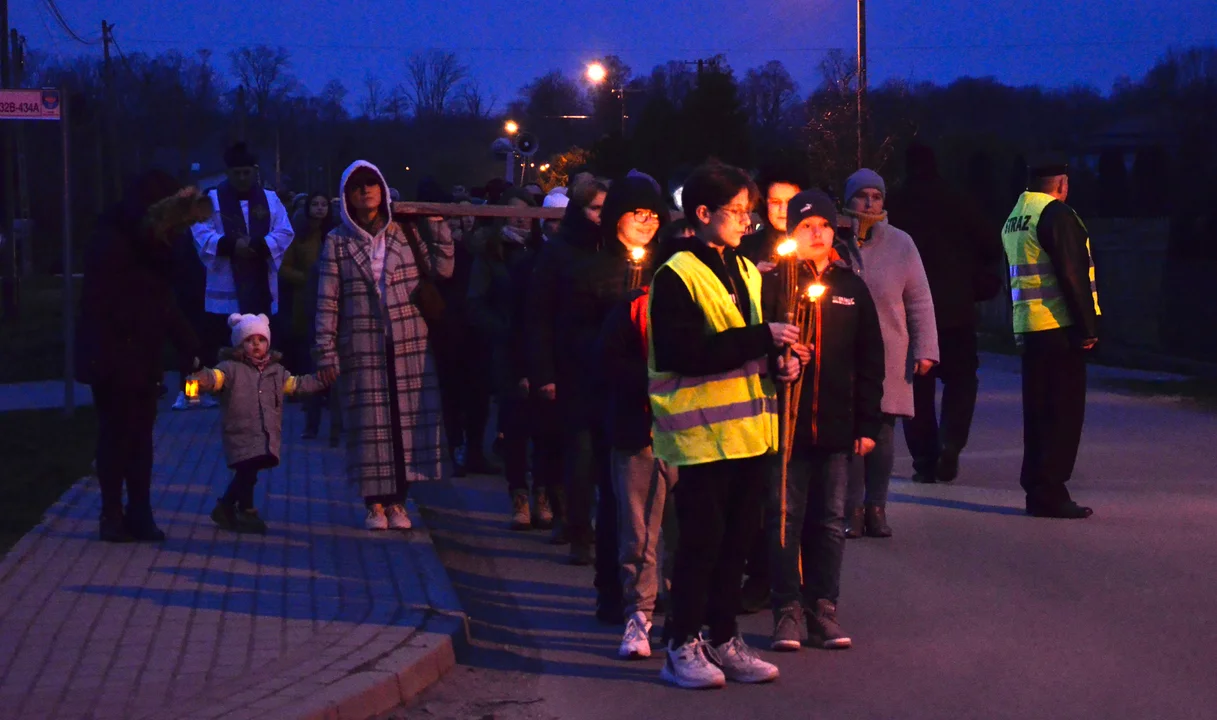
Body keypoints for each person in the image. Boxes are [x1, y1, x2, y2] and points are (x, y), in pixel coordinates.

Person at [648, 161, 804, 689]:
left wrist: (784, 360)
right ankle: (681, 644)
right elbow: (683, 352)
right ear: (702, 213)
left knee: (736, 543)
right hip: (698, 438)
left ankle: (722, 636)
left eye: (748, 212)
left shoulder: (741, 268)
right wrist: (763, 339)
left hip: (748, 433)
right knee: (701, 544)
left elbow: (750, 342)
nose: (746, 221)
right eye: (737, 212)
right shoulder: (675, 275)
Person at [762, 191, 884, 652]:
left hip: (836, 426)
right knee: (783, 518)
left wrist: (867, 425)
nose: (818, 233)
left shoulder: (851, 287)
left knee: (831, 521)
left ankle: (823, 609)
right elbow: (757, 345)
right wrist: (781, 361)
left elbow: (871, 358)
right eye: (807, 226)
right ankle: (786, 611)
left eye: (826, 226)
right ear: (791, 233)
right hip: (784, 428)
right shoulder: (774, 283)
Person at [314, 161, 454, 531]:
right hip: (360, 344)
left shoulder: (402, 231)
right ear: (346, 197)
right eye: (357, 186)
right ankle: (373, 504)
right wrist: (326, 351)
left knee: (403, 423)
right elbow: (327, 299)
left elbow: (443, 270)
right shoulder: (337, 241)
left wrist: (439, 226)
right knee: (368, 426)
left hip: (409, 342)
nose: (366, 191)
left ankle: (399, 502)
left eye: (372, 183)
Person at [76, 171, 211, 542]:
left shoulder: (157, 244)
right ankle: (112, 514)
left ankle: (139, 511)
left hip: (142, 353)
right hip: (111, 353)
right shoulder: (113, 241)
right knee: (116, 435)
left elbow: (164, 299)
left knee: (139, 437)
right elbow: (110, 303)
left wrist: (188, 343)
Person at [566, 173, 670, 625]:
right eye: (636, 214)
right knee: (614, 499)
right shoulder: (590, 266)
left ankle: (650, 587)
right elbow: (575, 331)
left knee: (653, 502)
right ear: (616, 218)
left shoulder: (666, 267)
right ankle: (611, 589)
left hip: (655, 397)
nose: (645, 223)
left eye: (652, 215)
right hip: (606, 393)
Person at [887, 144, 1004, 483]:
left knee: (917, 390)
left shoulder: (896, 204)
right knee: (962, 379)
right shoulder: (958, 200)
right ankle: (951, 442)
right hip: (956, 310)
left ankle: (924, 459)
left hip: (910, 312)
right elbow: (990, 244)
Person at [836, 169, 938, 539]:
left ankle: (877, 507)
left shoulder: (901, 244)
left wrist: (925, 349)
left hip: (890, 351)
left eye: (876, 196)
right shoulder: (835, 242)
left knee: (882, 432)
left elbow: (919, 299)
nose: (869, 203)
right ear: (847, 200)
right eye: (862, 195)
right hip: (844, 352)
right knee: (850, 434)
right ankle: (853, 509)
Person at [1001, 156, 1100, 519]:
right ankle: (1052, 491)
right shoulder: (1057, 214)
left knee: (1039, 413)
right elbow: (1072, 273)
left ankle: (1037, 489)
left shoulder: (1016, 216)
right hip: (1059, 327)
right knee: (1063, 414)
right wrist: (1087, 328)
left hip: (1029, 325)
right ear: (1061, 184)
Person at [528, 177, 610, 552]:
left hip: (610, 364)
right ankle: (577, 527)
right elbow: (540, 315)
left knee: (606, 455)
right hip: (572, 363)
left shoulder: (614, 249)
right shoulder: (559, 252)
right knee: (578, 450)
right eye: (595, 209)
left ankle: (599, 527)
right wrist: (544, 372)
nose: (601, 216)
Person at [190, 313, 327, 533]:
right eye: (249, 340)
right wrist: (200, 376)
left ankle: (235, 507)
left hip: (264, 432)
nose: (256, 344)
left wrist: (321, 379)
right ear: (239, 343)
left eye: (261, 340)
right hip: (240, 431)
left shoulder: (276, 371)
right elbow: (214, 378)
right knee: (247, 471)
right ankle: (240, 509)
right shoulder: (230, 369)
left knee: (249, 473)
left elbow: (297, 385)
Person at [467, 188, 555, 529]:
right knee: (516, 426)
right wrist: (503, 329)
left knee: (546, 426)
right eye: (515, 212)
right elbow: (475, 303)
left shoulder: (544, 252)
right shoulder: (491, 252)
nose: (521, 218)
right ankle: (519, 494)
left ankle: (544, 491)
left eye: (527, 213)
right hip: (508, 349)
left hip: (542, 347)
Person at [191, 142, 295, 366]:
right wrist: (230, 245)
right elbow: (199, 230)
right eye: (236, 173)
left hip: (261, 282)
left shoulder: (270, 199)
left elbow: (285, 231)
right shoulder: (212, 199)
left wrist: (258, 244)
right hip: (226, 284)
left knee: (259, 343)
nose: (241, 177)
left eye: (246, 172)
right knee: (226, 345)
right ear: (228, 172)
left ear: (255, 171)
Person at [738, 164, 807, 266]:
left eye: (790, 202)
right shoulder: (745, 248)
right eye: (775, 202)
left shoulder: (818, 245)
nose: (783, 210)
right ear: (765, 203)